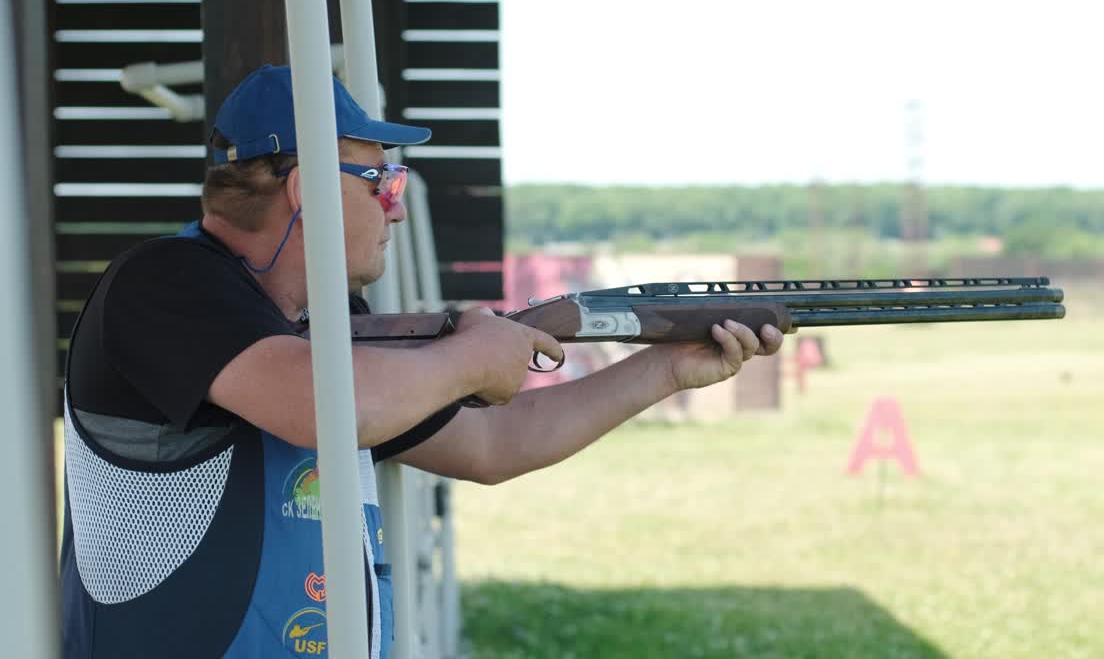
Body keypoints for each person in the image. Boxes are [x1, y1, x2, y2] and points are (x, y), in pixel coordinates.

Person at [59, 64, 785, 659]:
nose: (396, 209)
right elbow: (328, 407)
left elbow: (497, 442)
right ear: (306, 189)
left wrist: (667, 368)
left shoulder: (332, 326)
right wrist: (472, 354)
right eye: (383, 183)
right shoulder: (162, 283)